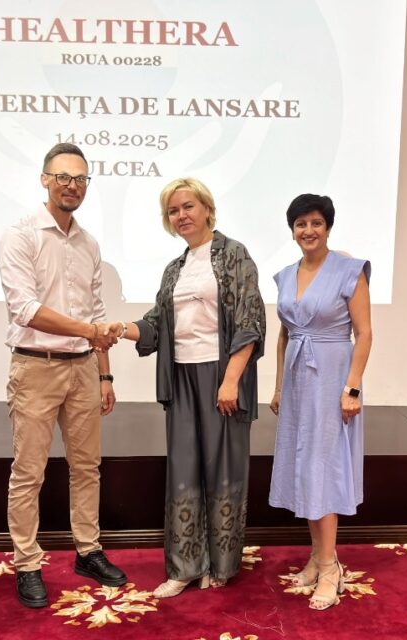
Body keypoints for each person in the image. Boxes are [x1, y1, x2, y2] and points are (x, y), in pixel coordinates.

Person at [108, 177, 265, 598]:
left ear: (207, 208)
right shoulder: (174, 269)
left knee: (224, 470)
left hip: (222, 376)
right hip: (181, 377)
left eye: (188, 206)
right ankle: (184, 567)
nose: (181, 215)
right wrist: (120, 328)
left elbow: (250, 321)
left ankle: (222, 565)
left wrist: (231, 381)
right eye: (173, 211)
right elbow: (157, 323)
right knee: (184, 471)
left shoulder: (234, 255)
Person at [0, 143, 127, 609]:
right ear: (45, 180)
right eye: (63, 177)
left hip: (84, 369)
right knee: (29, 472)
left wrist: (105, 376)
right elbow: (26, 310)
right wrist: (89, 331)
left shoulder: (89, 244)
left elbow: (97, 312)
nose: (72, 186)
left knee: (87, 467)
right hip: (36, 366)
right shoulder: (20, 235)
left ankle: (88, 551)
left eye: (80, 178)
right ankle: (27, 563)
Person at [268, 194, 372, 611]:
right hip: (298, 382)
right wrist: (279, 387)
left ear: (327, 227)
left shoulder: (349, 270)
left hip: (332, 379)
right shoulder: (284, 275)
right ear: (292, 230)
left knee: (324, 468)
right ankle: (318, 555)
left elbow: (364, 333)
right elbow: (284, 335)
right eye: (300, 224)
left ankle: (330, 568)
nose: (308, 230)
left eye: (315, 223)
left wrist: (352, 388)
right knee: (304, 466)